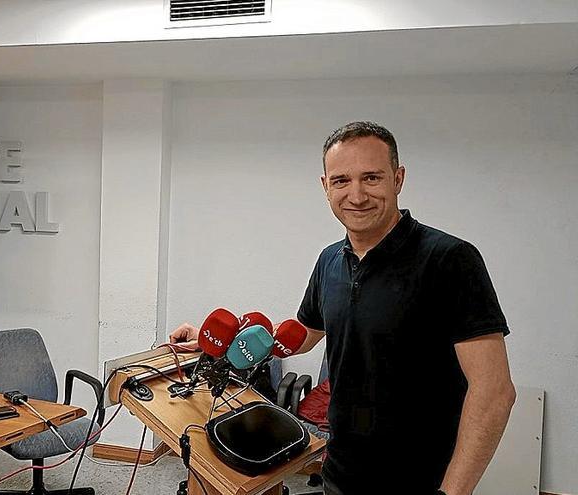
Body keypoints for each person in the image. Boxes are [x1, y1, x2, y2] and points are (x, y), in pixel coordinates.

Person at [169, 122, 515, 495]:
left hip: (422, 479)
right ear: (325, 187)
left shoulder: (450, 260)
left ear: (398, 179)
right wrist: (219, 342)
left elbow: (494, 391)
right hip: (341, 470)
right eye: (341, 181)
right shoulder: (329, 260)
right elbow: (301, 337)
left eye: (371, 177)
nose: (357, 195)